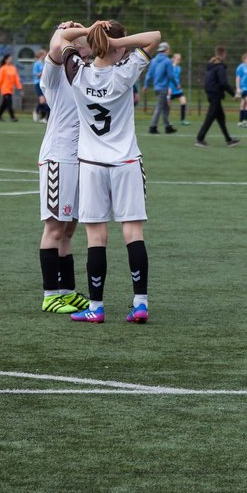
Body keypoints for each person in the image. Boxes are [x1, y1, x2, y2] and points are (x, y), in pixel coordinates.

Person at [56, 20, 161, 324]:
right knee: (133, 232)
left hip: (91, 165)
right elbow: (155, 36)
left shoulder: (77, 71)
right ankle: (140, 303)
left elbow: (62, 37)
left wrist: (90, 30)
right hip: (127, 162)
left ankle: (96, 307)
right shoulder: (125, 72)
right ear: (117, 47)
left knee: (96, 237)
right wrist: (116, 44)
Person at [35, 22, 92, 314]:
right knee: (55, 227)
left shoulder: (85, 73)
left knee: (69, 229)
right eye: (86, 41)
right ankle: (49, 295)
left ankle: (67, 292)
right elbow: (57, 45)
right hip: (59, 158)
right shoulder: (55, 75)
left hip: (79, 159)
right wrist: (64, 28)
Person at [195, 46, 242, 148]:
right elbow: (223, 83)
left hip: (211, 94)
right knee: (210, 117)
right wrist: (234, 94)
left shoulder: (211, 65)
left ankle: (229, 140)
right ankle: (200, 138)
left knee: (221, 118)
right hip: (215, 95)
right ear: (224, 55)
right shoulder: (220, 67)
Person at [143, 41, 177, 134]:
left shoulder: (153, 61)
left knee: (165, 107)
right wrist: (176, 84)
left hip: (156, 87)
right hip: (163, 88)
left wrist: (146, 85)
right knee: (159, 107)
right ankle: (152, 127)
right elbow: (170, 75)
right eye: (168, 49)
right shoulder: (167, 61)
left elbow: (149, 74)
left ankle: (167, 126)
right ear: (165, 50)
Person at [0, 53, 22, 121]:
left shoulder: (13, 68)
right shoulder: (3, 68)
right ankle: (12, 117)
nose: (11, 60)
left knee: (4, 104)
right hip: (5, 89)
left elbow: (16, 79)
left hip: (11, 89)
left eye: (11, 59)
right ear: (6, 60)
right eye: (9, 59)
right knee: (9, 103)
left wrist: (20, 88)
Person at [170, 52, 190, 125]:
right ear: (174, 59)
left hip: (178, 89)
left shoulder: (179, 68)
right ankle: (166, 121)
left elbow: (176, 77)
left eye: (180, 59)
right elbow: (169, 77)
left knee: (183, 102)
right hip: (170, 89)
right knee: (167, 105)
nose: (179, 60)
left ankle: (182, 120)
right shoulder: (169, 67)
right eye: (178, 59)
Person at [32, 49, 50, 122]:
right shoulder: (37, 64)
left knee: (46, 101)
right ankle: (36, 111)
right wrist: (44, 71)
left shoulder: (45, 63)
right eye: (44, 55)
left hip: (44, 83)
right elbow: (37, 75)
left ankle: (43, 117)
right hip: (38, 83)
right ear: (41, 56)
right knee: (42, 101)